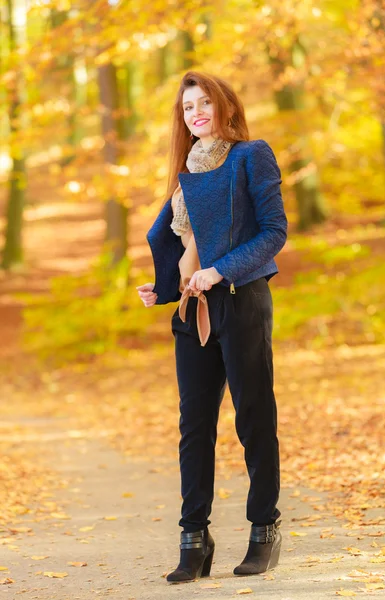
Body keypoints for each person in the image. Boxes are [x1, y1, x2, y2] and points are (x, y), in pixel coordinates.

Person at [137, 71, 287, 583]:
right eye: (187, 107)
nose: (196, 112)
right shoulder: (185, 174)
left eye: (205, 103)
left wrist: (222, 269)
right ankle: (194, 540)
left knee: (253, 420)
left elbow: (273, 232)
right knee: (194, 427)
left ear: (226, 106)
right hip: (192, 308)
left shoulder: (251, 155)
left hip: (241, 301)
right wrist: (162, 288)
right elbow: (182, 240)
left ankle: (264, 528)